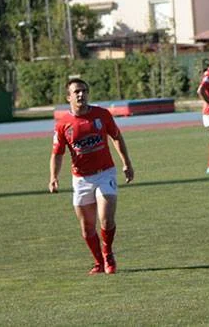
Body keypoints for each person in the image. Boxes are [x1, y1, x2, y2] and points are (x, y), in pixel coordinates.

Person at [49, 77, 135, 274]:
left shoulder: (102, 115)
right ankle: (98, 262)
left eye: (84, 91)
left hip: (105, 173)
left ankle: (108, 254)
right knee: (87, 228)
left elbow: (116, 137)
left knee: (106, 219)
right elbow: (57, 153)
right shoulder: (63, 124)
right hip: (81, 179)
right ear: (68, 97)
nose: (81, 94)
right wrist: (54, 177)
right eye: (76, 91)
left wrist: (127, 163)